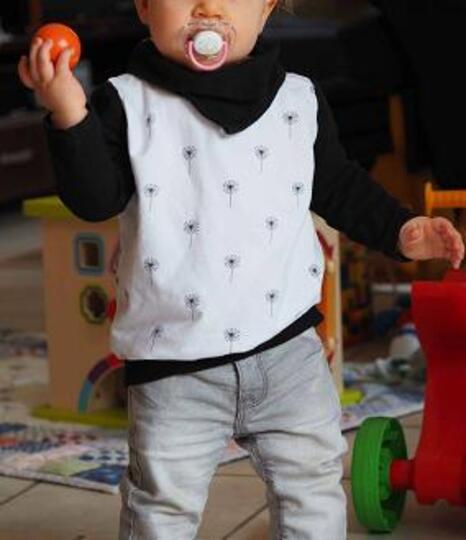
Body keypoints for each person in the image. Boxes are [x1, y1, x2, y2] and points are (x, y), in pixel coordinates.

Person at [18, 1, 464, 538]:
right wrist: (70, 113)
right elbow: (95, 199)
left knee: (312, 483)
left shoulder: (298, 100)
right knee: (163, 505)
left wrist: (400, 228)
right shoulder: (127, 104)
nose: (208, 7)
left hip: (290, 352)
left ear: (268, 7)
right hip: (174, 362)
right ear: (144, 6)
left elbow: (339, 186)